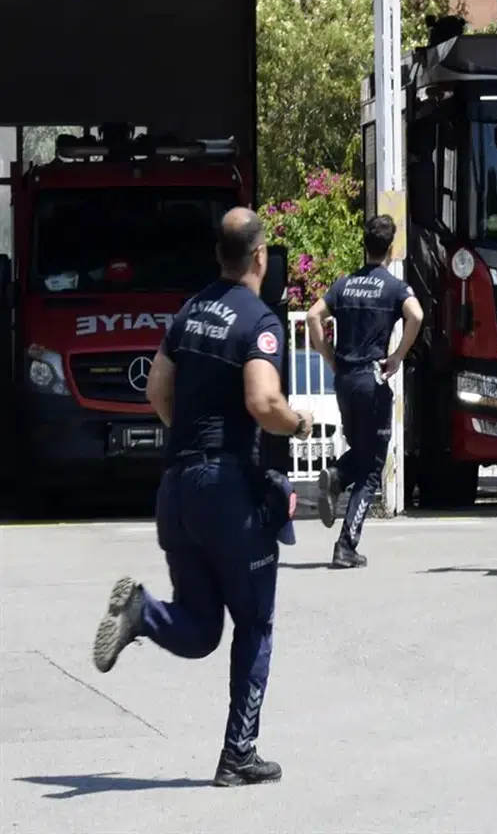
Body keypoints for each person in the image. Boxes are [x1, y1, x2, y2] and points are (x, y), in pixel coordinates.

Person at [91, 208, 314, 785]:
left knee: (201, 626)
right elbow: (264, 403)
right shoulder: (259, 320)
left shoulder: (189, 313)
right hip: (228, 493)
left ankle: (143, 613)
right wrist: (299, 423)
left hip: (178, 487)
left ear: (221, 255)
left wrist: (189, 444)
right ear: (260, 257)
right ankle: (237, 754)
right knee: (255, 623)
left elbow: (156, 387)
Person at [306, 215, 424, 569]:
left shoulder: (344, 284)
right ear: (390, 249)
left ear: (365, 246)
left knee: (361, 450)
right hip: (372, 381)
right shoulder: (393, 287)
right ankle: (346, 545)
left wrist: (329, 357)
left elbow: (313, 315)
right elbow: (416, 315)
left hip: (344, 379)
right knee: (372, 467)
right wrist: (398, 356)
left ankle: (339, 475)